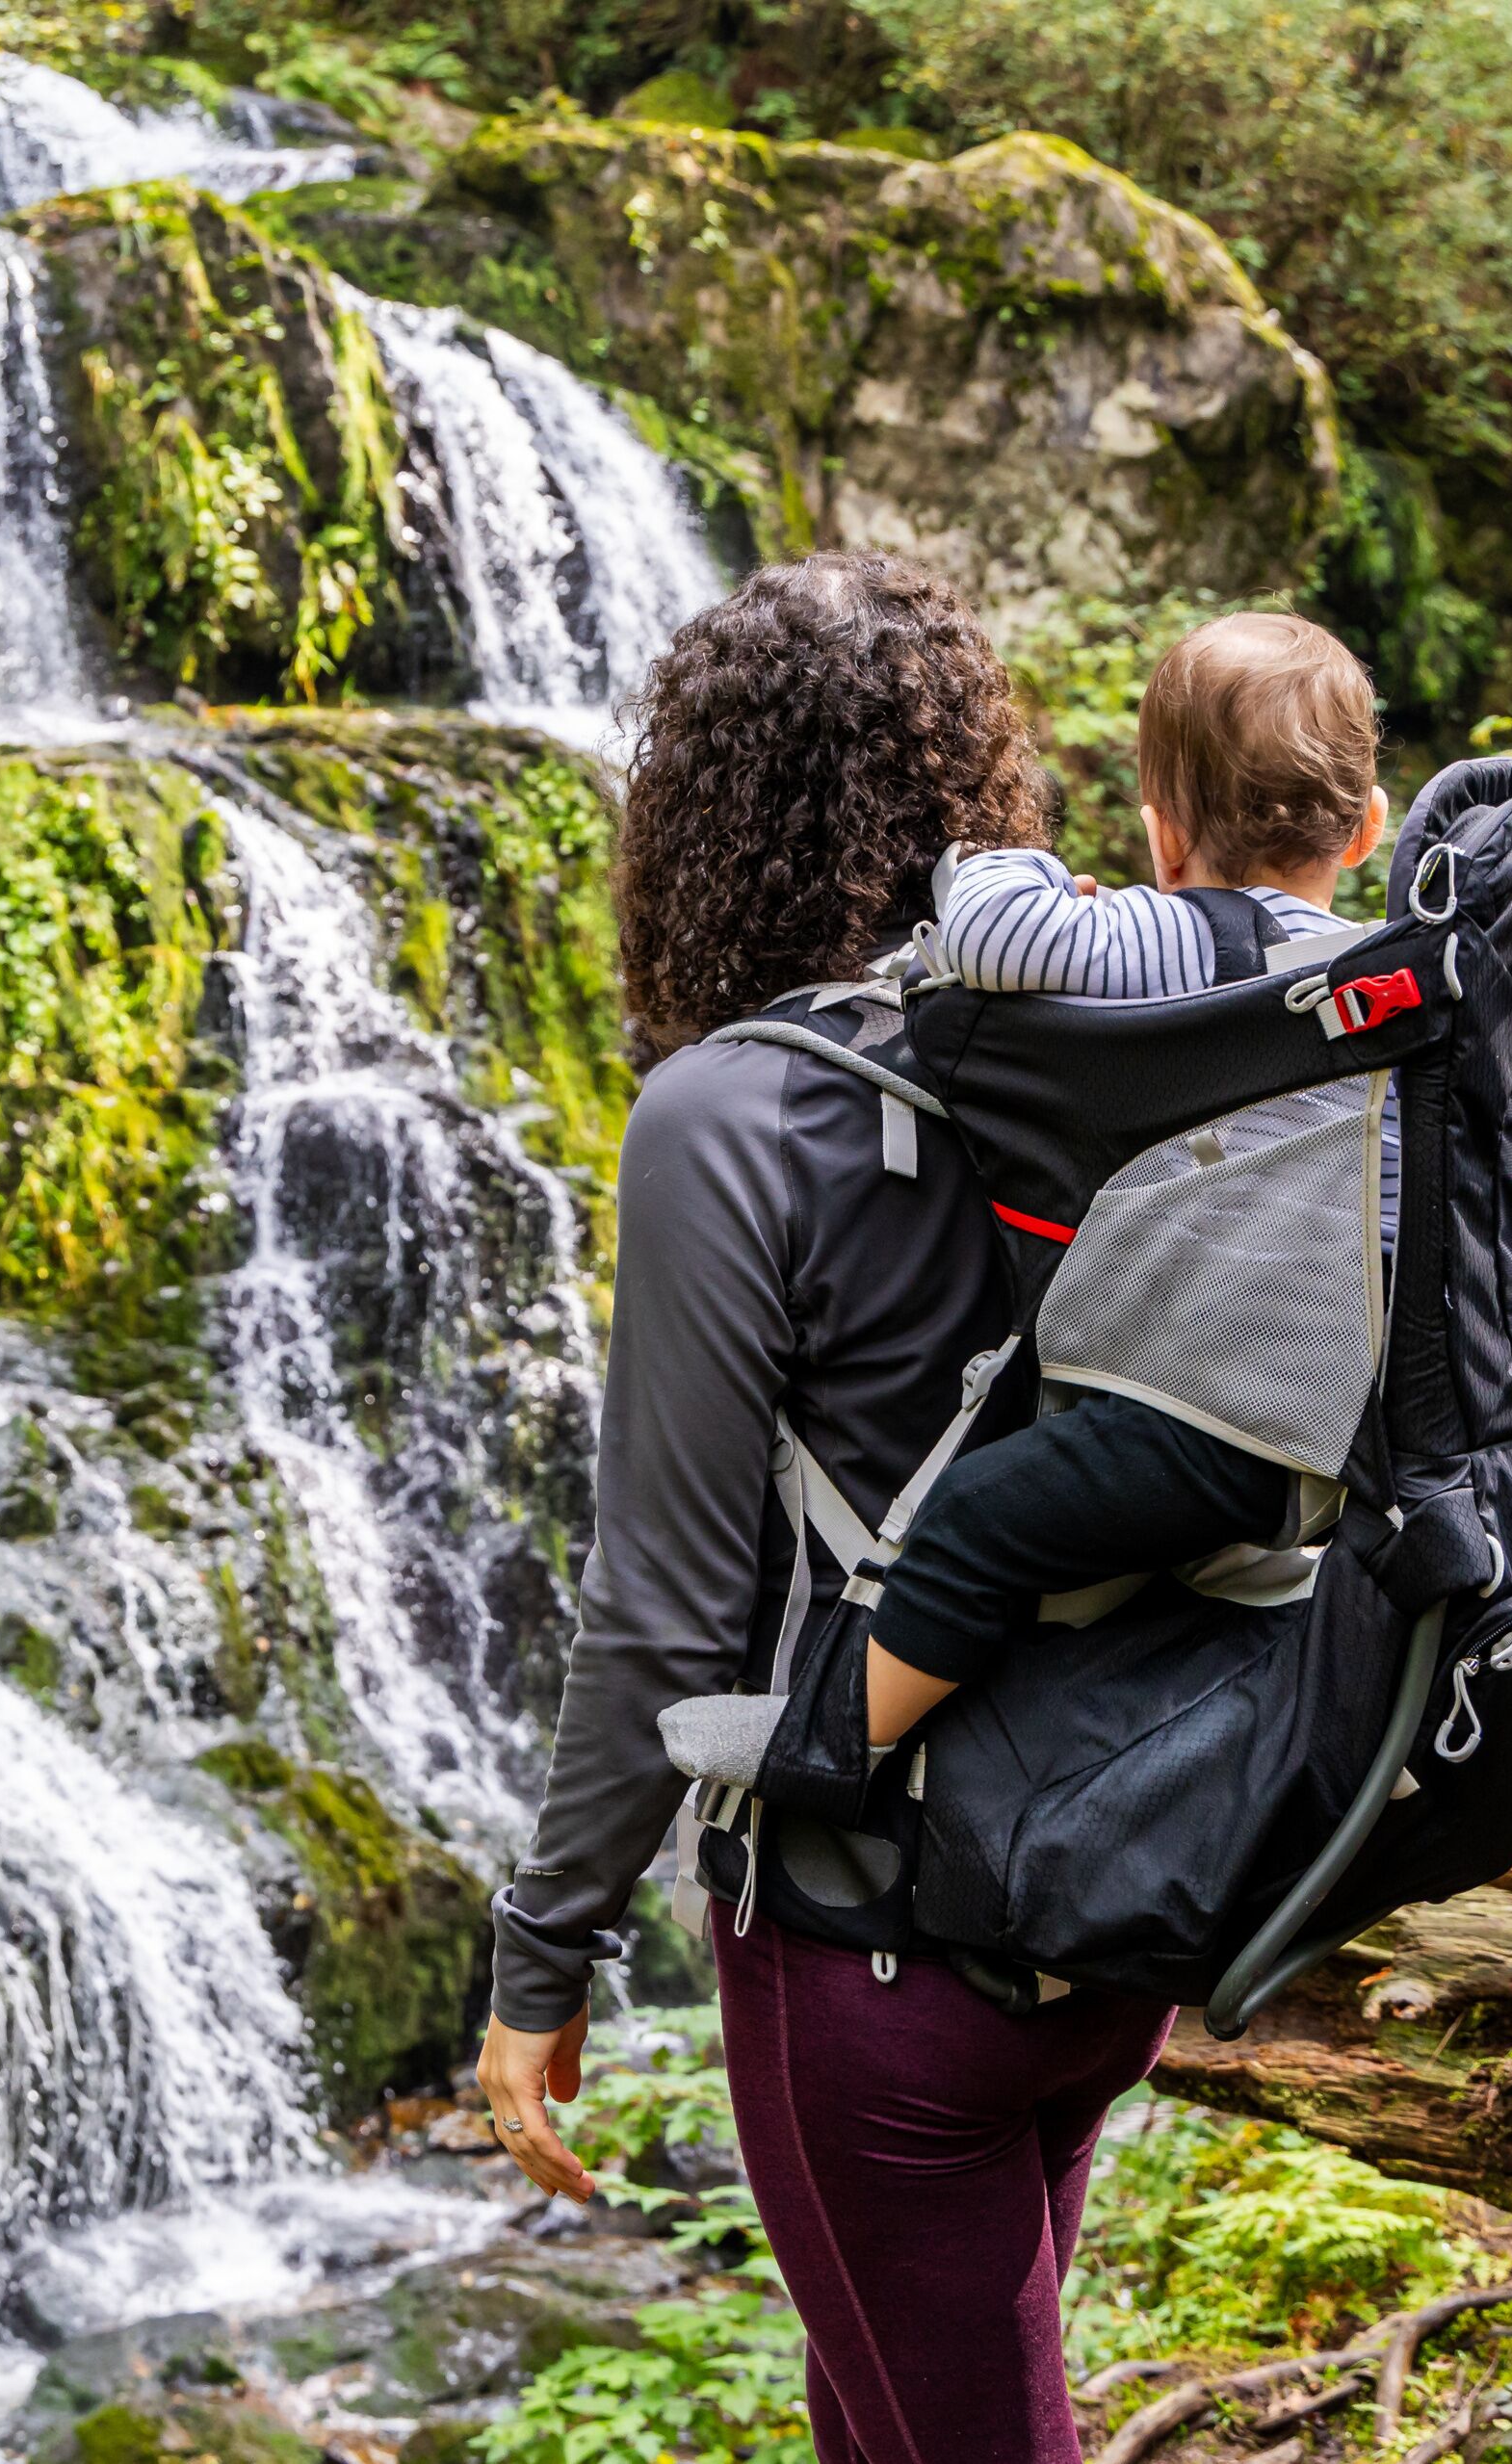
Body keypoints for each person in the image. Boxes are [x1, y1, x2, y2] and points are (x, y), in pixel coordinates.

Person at [476, 555, 1175, 2464]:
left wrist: (544, 1961)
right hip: (1115, 1883)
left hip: (868, 1932)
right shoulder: (1104, 1053)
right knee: (897, 2409)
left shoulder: (726, 1111)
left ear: (702, 814)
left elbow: (665, 1612)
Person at [855, 609, 1393, 1753]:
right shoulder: (1401, 982)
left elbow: (995, 932)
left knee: (976, 1524)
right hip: (1370, 1428)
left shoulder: (1174, 944)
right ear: (1366, 832)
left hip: (1208, 1422)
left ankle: (834, 1749)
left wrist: (1008, 863)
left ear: (1161, 835)